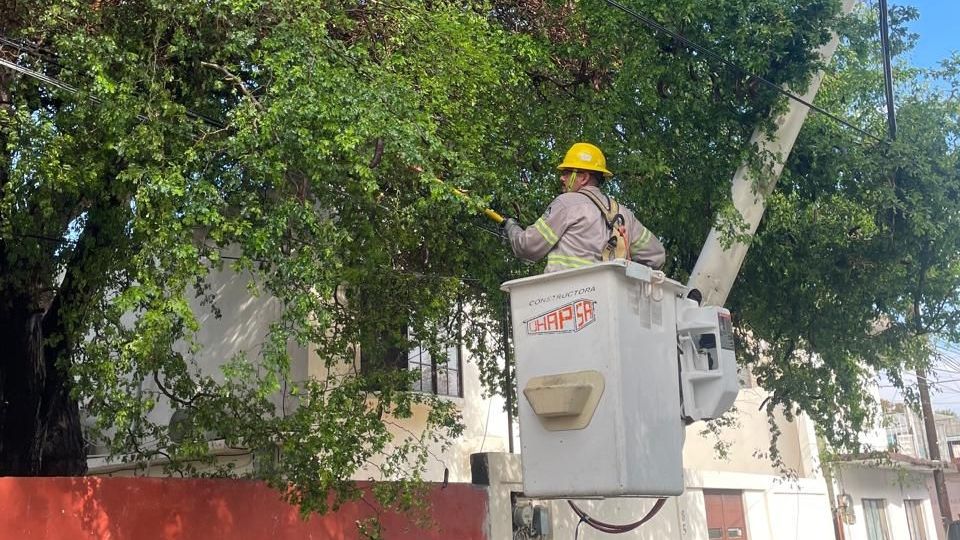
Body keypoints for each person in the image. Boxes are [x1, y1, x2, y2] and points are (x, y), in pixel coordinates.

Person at [503, 142, 665, 272]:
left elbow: (527, 247)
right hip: (607, 306)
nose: (562, 178)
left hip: (566, 303)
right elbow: (656, 256)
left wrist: (510, 226)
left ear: (584, 177)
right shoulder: (624, 215)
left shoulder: (566, 204)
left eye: (567, 172)